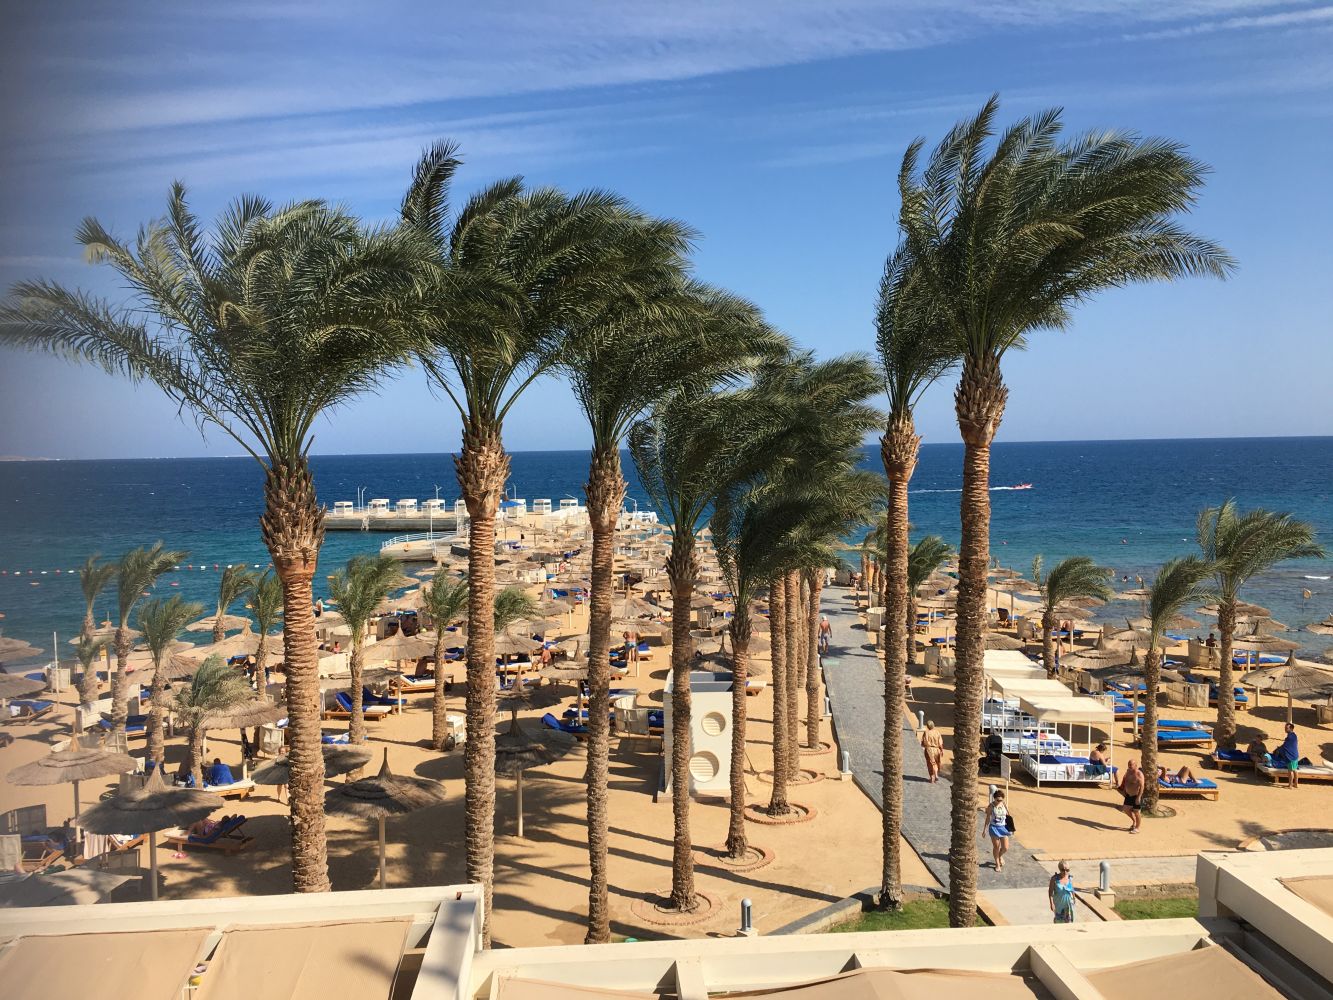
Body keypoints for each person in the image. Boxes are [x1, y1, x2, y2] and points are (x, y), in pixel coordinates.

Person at [983, 789, 1011, 871]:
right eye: (998, 800)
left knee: (1005, 847)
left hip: (1003, 828)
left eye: (1001, 800)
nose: (999, 801)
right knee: (996, 847)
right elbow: (988, 818)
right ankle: (997, 864)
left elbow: (1008, 815)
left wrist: (1010, 827)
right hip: (994, 828)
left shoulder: (1004, 804)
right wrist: (984, 829)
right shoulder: (991, 806)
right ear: (994, 798)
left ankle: (999, 856)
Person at [1118, 759, 1144, 833]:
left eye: (1131, 765)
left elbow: (1142, 786)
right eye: (1128, 764)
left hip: (1136, 795)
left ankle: (1137, 828)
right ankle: (1134, 821)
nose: (1129, 766)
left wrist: (1138, 797)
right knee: (1126, 809)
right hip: (1129, 795)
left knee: (1136, 812)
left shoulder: (1139, 774)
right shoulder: (1128, 772)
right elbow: (1126, 781)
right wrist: (1124, 791)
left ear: (1135, 765)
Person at [1272, 722, 1301, 788]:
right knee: (1295, 770)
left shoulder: (1290, 737)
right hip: (1295, 755)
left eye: (1286, 728)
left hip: (1291, 756)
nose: (1285, 729)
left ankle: (1290, 785)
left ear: (1291, 728)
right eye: (1285, 728)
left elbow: (1285, 746)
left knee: (1290, 771)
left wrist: (1278, 749)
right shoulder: (1293, 735)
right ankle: (1296, 784)